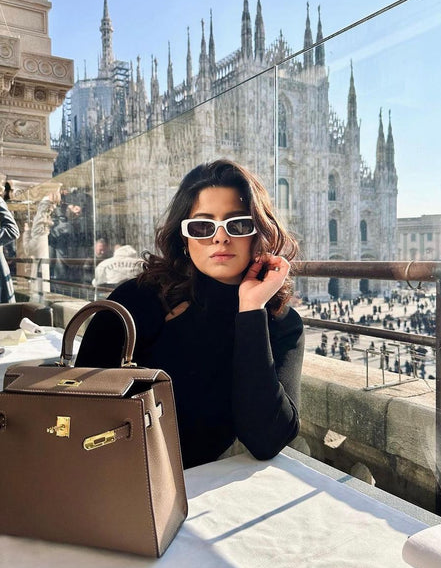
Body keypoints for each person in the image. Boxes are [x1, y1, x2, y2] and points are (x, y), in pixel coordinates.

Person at [76, 159, 304, 469]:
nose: (220, 237)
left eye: (238, 224)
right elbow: (81, 407)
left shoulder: (280, 322)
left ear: (258, 233)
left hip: (205, 486)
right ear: (184, 237)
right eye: (202, 226)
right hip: (120, 480)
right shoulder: (137, 300)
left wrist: (251, 310)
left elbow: (267, 439)